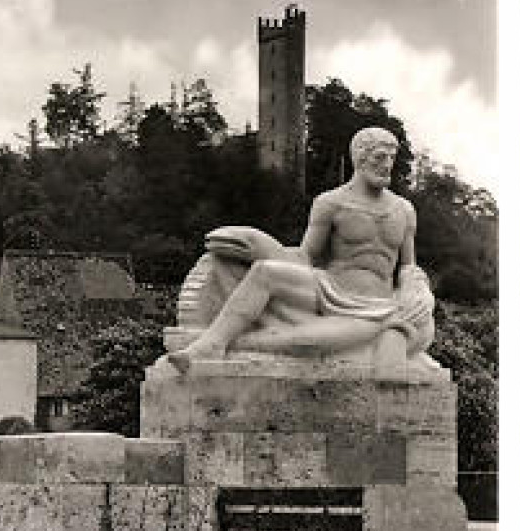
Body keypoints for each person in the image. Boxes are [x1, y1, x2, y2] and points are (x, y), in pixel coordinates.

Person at [168, 126, 434, 371]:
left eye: (391, 158)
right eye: (379, 157)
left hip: (381, 301)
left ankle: (384, 338)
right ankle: (213, 343)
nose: (387, 165)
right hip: (330, 290)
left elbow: (408, 266)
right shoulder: (331, 203)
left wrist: (418, 288)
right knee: (265, 272)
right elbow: (306, 256)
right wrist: (258, 243)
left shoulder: (404, 210)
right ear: (359, 158)